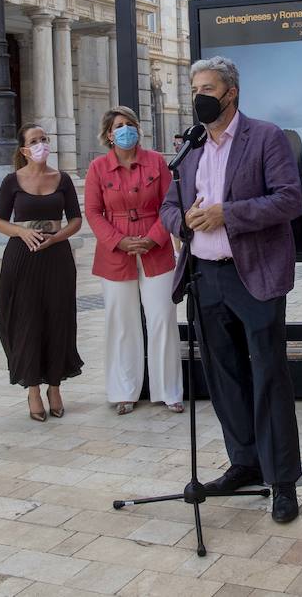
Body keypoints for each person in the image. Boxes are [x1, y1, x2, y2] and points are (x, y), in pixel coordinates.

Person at [159, 56, 302, 524]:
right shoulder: (190, 146)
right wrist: (182, 221)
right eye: (194, 87)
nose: (199, 94)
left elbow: (289, 199)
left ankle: (282, 481)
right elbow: (167, 205)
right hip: (206, 274)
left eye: (207, 87)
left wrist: (228, 214)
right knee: (223, 378)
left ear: (230, 92)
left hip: (255, 275)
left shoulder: (266, 136)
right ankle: (244, 462)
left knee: (268, 377)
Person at [84, 107, 183, 415]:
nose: (126, 129)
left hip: (156, 248)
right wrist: (118, 241)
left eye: (130, 124)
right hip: (116, 253)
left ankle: (169, 391)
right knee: (121, 322)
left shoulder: (156, 162)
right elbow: (92, 212)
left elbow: (171, 203)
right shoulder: (98, 168)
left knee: (162, 319)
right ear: (108, 134)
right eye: (119, 126)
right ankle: (123, 391)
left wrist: (154, 237)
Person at [0, 123, 84, 422]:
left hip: (57, 256)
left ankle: (55, 386)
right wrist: (21, 232)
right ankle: (33, 388)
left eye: (44, 139)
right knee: (26, 321)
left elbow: (75, 220)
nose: (41, 144)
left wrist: (57, 238)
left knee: (58, 319)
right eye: (35, 140)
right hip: (23, 257)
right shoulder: (12, 181)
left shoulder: (62, 179)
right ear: (23, 150)